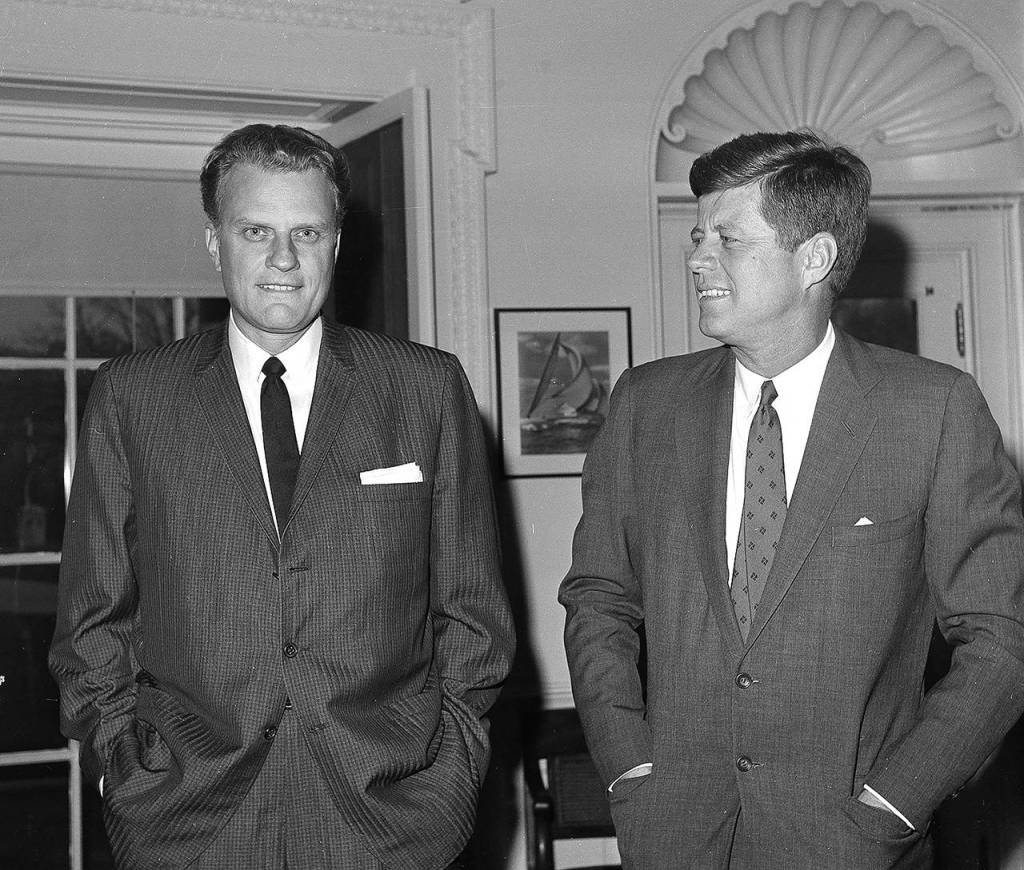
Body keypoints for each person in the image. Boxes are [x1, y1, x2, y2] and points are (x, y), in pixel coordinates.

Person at [49, 123, 515, 869]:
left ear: (337, 243)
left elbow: (473, 614)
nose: (284, 259)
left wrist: (450, 771)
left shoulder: (424, 388)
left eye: (308, 232)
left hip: (390, 819)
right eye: (256, 230)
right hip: (187, 819)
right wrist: (119, 765)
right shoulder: (133, 396)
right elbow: (91, 621)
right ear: (214, 241)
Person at [559, 130, 1024, 869]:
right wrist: (629, 766)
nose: (697, 258)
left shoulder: (932, 411)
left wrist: (898, 800)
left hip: (855, 846)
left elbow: (1001, 640)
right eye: (697, 236)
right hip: (676, 840)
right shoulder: (648, 403)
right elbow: (598, 598)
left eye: (729, 239)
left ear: (815, 258)